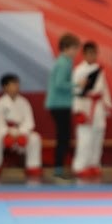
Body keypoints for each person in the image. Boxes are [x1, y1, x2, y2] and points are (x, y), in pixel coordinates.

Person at [71, 41, 112, 179]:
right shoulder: (78, 71)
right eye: (89, 53)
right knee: (85, 138)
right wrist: (78, 111)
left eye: (94, 53)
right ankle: (80, 166)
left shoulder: (99, 70)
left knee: (97, 136)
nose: (92, 56)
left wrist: (107, 106)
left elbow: (104, 89)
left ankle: (94, 164)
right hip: (85, 106)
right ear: (84, 54)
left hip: (98, 107)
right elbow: (75, 92)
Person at [0, 74, 41, 177]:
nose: (16, 86)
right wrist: (8, 133)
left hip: (21, 132)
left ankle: (33, 166)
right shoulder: (0, 103)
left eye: (17, 84)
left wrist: (20, 132)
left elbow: (29, 122)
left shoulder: (24, 102)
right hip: (6, 133)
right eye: (13, 84)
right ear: (5, 87)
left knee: (35, 138)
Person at [46, 33, 81, 179]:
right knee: (63, 137)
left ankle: (59, 168)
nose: (76, 52)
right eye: (74, 48)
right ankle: (58, 169)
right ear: (66, 48)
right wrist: (77, 84)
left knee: (64, 136)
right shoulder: (63, 63)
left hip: (61, 104)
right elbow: (60, 84)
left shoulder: (65, 61)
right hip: (59, 105)